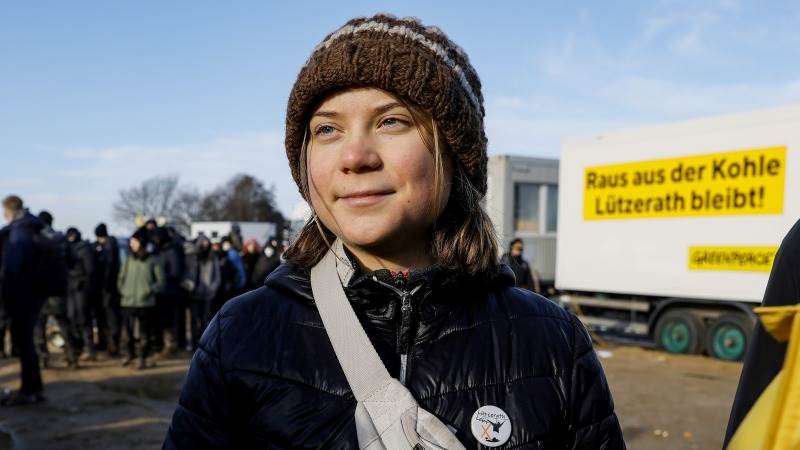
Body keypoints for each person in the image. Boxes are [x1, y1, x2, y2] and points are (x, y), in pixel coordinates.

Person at [164, 15, 624, 448]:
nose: (355, 156)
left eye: (391, 121)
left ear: (454, 151)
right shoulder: (241, 335)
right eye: (327, 129)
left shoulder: (552, 343)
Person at [0, 195, 46, 406]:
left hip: (22, 296)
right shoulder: (32, 228)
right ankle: (34, 388)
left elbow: (13, 270)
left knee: (24, 343)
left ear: (8, 210)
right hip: (34, 294)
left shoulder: (18, 234)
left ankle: (29, 390)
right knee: (27, 343)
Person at [34, 211, 79, 369]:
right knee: (64, 324)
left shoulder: (35, 239)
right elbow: (74, 260)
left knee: (39, 326)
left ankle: (43, 358)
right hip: (58, 288)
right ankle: (72, 356)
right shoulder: (61, 239)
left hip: (38, 290)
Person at [118, 229, 164, 370]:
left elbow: (161, 281)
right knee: (127, 331)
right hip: (128, 301)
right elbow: (121, 277)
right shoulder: (128, 259)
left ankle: (143, 358)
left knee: (145, 333)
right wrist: (123, 290)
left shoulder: (152, 260)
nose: (131, 244)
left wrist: (149, 291)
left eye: (134, 241)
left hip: (146, 303)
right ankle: (129, 355)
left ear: (141, 243)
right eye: (131, 242)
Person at [65, 227, 97, 361]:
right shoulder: (69, 249)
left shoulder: (84, 249)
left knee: (83, 318)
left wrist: (83, 281)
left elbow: (90, 270)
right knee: (72, 318)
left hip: (82, 288)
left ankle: (89, 348)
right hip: (71, 287)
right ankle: (76, 348)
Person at [186, 235, 220, 350]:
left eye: (207, 243)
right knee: (194, 320)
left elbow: (217, 275)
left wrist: (213, 288)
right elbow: (189, 273)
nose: (205, 245)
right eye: (202, 243)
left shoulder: (213, 257)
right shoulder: (193, 258)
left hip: (208, 294)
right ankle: (194, 343)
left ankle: (205, 343)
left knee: (206, 320)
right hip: (194, 294)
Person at [93, 223, 121, 356]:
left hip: (108, 289)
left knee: (109, 317)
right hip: (108, 289)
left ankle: (112, 345)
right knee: (107, 317)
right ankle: (109, 344)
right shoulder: (112, 246)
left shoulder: (108, 248)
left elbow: (109, 270)